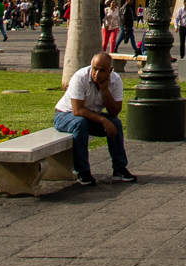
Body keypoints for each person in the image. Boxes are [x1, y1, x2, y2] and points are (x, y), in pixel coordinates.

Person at [54, 50, 137, 185]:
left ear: (110, 71)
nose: (96, 74)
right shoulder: (80, 77)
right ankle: (83, 171)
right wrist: (103, 120)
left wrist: (105, 91)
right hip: (64, 114)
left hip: (89, 116)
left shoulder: (115, 80)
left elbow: (114, 112)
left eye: (102, 71)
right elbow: (78, 110)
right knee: (80, 124)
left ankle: (119, 169)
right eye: (94, 69)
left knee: (115, 123)